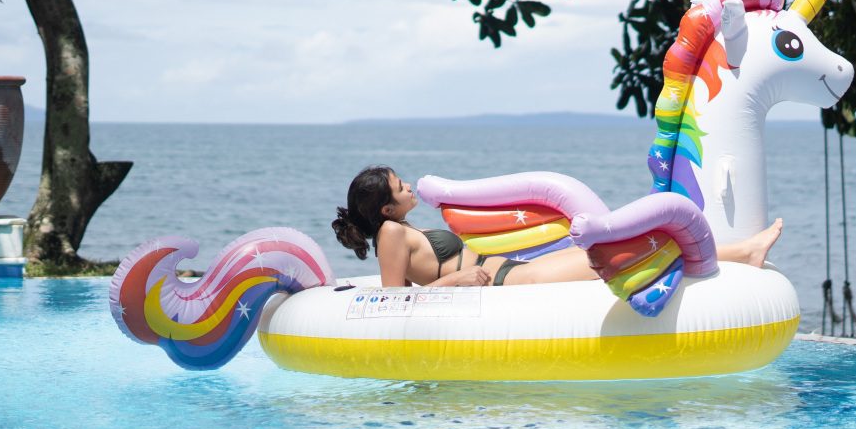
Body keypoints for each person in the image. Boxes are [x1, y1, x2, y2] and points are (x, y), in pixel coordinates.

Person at [331, 165, 783, 289]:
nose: (410, 186)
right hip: (508, 278)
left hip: (509, 268)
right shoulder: (391, 234)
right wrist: (457, 279)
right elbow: (392, 302)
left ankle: (742, 252)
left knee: (626, 245)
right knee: (622, 255)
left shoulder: (398, 229)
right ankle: (744, 252)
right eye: (400, 186)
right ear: (386, 210)